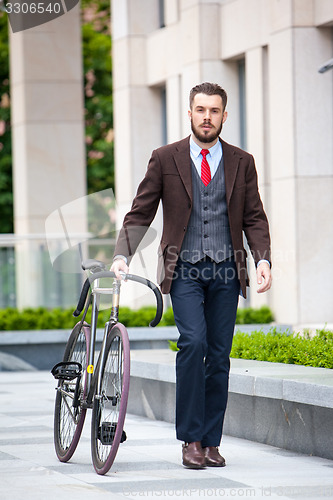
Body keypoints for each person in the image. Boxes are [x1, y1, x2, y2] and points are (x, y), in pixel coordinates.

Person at [111, 82, 272, 469]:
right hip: (183, 268)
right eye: (200, 110)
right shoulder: (165, 158)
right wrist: (122, 255)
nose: (207, 117)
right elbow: (142, 210)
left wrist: (263, 259)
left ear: (224, 116)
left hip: (226, 271)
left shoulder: (241, 161)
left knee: (218, 356)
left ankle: (212, 442)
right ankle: (191, 439)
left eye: (214, 111)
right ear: (189, 113)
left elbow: (254, 216)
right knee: (194, 343)